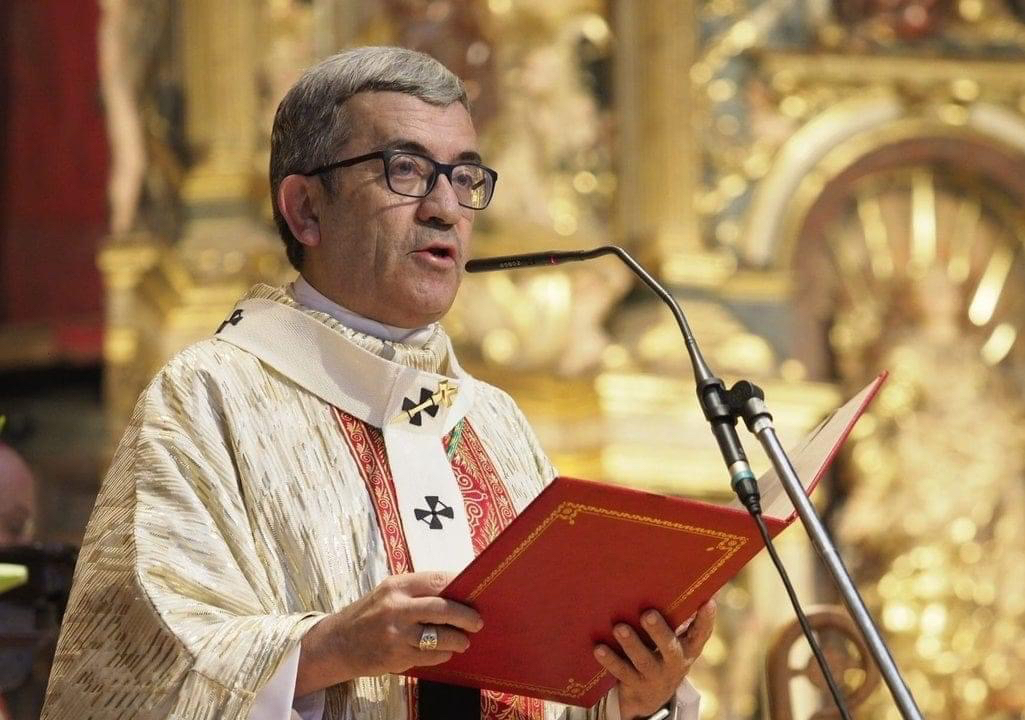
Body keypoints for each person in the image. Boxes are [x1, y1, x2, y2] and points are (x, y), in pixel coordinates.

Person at [41, 47, 714, 720]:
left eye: (464, 177)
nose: (446, 208)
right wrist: (333, 646)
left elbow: (545, 692)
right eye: (407, 171)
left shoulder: (494, 422)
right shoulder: (209, 398)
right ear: (305, 210)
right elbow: (134, 677)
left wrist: (635, 698)